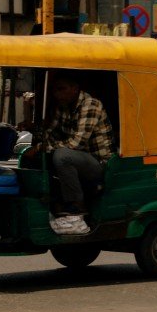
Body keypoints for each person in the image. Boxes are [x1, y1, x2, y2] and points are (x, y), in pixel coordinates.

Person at [28, 73, 114, 236]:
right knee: (43, 157)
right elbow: (51, 133)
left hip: (99, 164)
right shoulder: (64, 106)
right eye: (55, 90)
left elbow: (76, 143)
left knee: (62, 156)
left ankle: (76, 206)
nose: (57, 94)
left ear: (75, 89)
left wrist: (41, 148)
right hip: (80, 161)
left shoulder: (90, 104)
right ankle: (54, 204)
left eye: (62, 89)